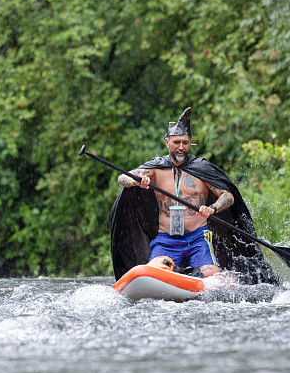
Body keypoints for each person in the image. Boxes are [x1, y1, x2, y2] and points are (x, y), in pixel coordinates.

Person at [109, 107, 277, 284]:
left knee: (213, 276)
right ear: (167, 142)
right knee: (155, 271)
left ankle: (211, 277)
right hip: (166, 239)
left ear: (190, 143)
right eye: (176, 142)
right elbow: (122, 178)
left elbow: (228, 196)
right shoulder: (156, 168)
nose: (181, 147)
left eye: (185, 142)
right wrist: (137, 181)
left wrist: (213, 208)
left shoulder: (202, 169)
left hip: (198, 238)